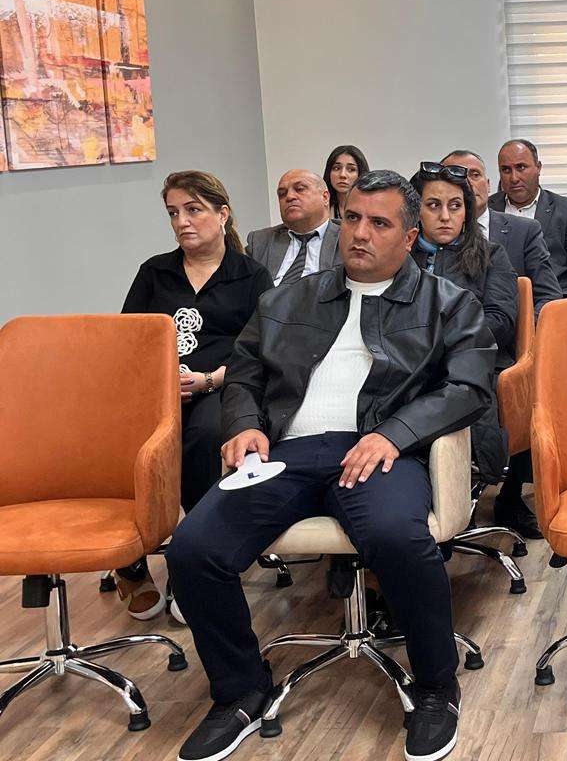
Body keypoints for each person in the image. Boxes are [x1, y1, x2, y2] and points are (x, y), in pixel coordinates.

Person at [167, 170, 495, 761]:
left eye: (379, 223)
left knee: (398, 538)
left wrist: (395, 433)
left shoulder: (447, 304)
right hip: (286, 454)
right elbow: (244, 373)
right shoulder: (286, 299)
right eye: (352, 218)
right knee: (193, 548)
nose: (360, 233)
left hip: (379, 450)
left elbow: (469, 387)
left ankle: (435, 688)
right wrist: (243, 424)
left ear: (410, 236)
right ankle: (240, 692)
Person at [118, 172, 273, 622]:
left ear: (222, 214)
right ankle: (129, 561)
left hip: (222, 384)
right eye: (173, 213)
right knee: (128, 440)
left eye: (193, 210)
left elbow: (264, 347)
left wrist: (210, 379)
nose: (181, 222)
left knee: (205, 434)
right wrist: (162, 381)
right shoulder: (155, 272)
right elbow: (130, 340)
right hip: (158, 389)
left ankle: (195, 565)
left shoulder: (250, 275)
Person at [410, 162, 518, 488]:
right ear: (415, 211)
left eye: (455, 206)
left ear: (466, 212)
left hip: (471, 362)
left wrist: (438, 342)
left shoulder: (491, 255)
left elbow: (500, 322)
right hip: (406, 365)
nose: (445, 216)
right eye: (433, 205)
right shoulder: (399, 257)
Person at [440, 149, 562, 315]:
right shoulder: (428, 236)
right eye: (457, 176)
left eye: (475, 175)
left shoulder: (525, 231)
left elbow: (549, 295)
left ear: (488, 184)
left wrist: (527, 328)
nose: (468, 183)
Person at [489, 139, 567, 298]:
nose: (514, 178)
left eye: (521, 167)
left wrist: (566, 302)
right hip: (499, 302)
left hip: (553, 300)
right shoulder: (487, 209)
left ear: (538, 168)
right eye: (506, 170)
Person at [246, 169, 341, 284]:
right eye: (282, 194)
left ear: (325, 197)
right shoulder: (261, 241)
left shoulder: (347, 237)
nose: (289, 197)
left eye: (300, 189)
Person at [324, 144, 369, 219]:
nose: (342, 175)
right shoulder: (320, 209)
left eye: (351, 169)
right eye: (336, 168)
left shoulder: (373, 208)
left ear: (361, 174)